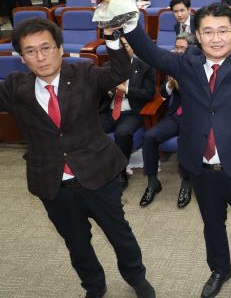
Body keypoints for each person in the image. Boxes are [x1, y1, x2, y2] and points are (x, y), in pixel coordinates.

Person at [122, 0, 231, 298]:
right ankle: (220, 269)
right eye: (208, 31)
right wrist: (128, 17)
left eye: (223, 30)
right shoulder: (186, 63)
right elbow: (148, 51)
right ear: (197, 36)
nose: (216, 38)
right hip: (200, 165)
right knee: (212, 223)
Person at [0, 18, 156, 298]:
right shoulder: (15, 86)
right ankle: (94, 286)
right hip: (52, 183)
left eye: (46, 47)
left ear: (60, 48)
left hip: (98, 174)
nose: (41, 56)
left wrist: (110, 35)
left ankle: (137, 278)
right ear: (21, 58)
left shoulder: (84, 72)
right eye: (31, 51)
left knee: (119, 235)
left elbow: (120, 70)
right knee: (77, 243)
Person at [139, 31, 197, 207]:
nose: (178, 51)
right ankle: (152, 183)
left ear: (193, 49)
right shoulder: (172, 65)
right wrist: (171, 85)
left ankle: (186, 185)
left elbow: (199, 98)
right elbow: (163, 94)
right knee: (149, 137)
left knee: (186, 140)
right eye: (176, 47)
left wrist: (180, 85)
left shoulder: (200, 66)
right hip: (176, 115)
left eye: (182, 48)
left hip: (194, 117)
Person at [98, 36, 155, 190]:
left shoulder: (145, 67)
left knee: (123, 133)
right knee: (88, 128)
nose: (123, 49)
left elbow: (149, 94)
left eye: (127, 46)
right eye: (119, 46)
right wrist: (110, 91)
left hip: (131, 112)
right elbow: (97, 93)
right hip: (109, 110)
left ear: (133, 48)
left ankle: (121, 172)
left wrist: (127, 90)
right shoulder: (107, 66)